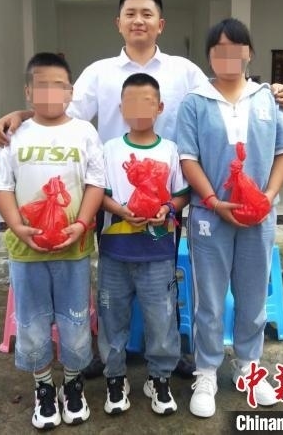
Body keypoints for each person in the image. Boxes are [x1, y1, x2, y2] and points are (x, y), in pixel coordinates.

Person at [0, 0, 283, 379]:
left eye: (147, 14)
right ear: (117, 22)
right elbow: (59, 109)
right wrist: (20, 115)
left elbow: (226, 91)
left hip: (170, 197)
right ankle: (108, 354)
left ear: (160, 24)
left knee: (161, 274)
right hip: (110, 196)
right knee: (112, 277)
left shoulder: (184, 72)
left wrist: (272, 91)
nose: (138, 20)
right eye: (130, 14)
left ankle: (168, 354)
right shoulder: (99, 73)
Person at [176, 18, 283, 417]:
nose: (227, 56)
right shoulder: (195, 102)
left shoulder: (268, 99)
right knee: (209, 298)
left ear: (249, 53)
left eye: (236, 48)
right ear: (209, 56)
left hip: (259, 217)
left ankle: (248, 365)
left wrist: (267, 198)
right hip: (209, 218)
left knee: (253, 294)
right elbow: (188, 157)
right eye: (219, 49)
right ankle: (207, 370)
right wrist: (212, 200)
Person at [0, 53, 105, 430]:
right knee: (33, 322)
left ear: (70, 92)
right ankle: (43, 387)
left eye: (59, 85)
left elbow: (95, 183)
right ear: (28, 92)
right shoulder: (14, 135)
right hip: (27, 252)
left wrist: (82, 224)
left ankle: (72, 384)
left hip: (73, 249)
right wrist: (17, 225)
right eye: (42, 85)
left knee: (74, 319)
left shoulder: (84, 133)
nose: (51, 93)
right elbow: (2, 186)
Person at [98, 72, 189, 415]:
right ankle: (115, 377)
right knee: (111, 317)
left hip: (158, 252)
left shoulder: (170, 150)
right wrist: (121, 210)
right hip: (115, 251)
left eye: (146, 102)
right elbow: (99, 194)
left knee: (162, 318)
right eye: (131, 102)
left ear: (160, 107)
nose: (138, 109)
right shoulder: (110, 150)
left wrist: (167, 209)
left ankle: (159, 377)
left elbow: (182, 194)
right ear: (121, 108)